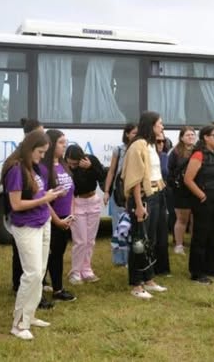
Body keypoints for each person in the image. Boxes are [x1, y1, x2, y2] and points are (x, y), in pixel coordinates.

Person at [3, 130, 66, 340]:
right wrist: (44, 198)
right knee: (31, 274)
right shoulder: (16, 169)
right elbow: (16, 204)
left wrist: (53, 194)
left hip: (42, 222)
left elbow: (40, 195)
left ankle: (29, 316)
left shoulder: (35, 167)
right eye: (40, 152)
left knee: (39, 271)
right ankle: (18, 324)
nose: (42, 156)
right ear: (30, 149)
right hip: (27, 226)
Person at [120, 111, 169, 299]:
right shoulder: (137, 146)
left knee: (151, 240)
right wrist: (139, 206)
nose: (162, 127)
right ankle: (136, 284)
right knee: (139, 241)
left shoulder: (150, 145)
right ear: (151, 125)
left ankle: (149, 278)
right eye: (160, 124)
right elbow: (134, 179)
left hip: (156, 195)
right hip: (142, 199)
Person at [183, 125, 214, 283]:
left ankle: (211, 267)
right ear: (205, 138)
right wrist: (202, 195)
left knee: (212, 235)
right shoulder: (198, 155)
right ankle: (197, 271)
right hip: (203, 200)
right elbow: (188, 179)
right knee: (201, 235)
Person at [42, 130, 77, 302]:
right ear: (51, 144)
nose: (65, 145)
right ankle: (55, 289)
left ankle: (56, 286)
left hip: (65, 217)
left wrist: (70, 214)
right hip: (51, 218)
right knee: (49, 254)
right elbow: (43, 198)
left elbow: (71, 191)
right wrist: (57, 220)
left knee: (58, 253)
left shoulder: (63, 165)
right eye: (61, 142)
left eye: (65, 142)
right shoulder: (44, 168)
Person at [65, 144, 106, 290]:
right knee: (80, 240)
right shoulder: (67, 168)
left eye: (75, 163)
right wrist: (73, 170)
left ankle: (87, 269)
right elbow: (73, 185)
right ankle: (75, 272)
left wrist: (91, 168)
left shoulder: (91, 160)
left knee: (90, 240)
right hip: (77, 202)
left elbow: (102, 177)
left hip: (93, 200)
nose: (73, 166)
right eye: (70, 163)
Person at [103, 123, 137, 267]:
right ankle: (119, 259)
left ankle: (131, 258)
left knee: (132, 226)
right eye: (134, 133)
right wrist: (106, 191)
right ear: (127, 134)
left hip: (134, 192)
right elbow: (111, 171)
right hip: (119, 193)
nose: (136, 135)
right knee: (118, 226)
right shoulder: (119, 150)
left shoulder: (140, 149)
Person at [167, 126, 195, 254]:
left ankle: (195, 242)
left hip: (195, 189)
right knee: (182, 219)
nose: (191, 137)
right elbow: (170, 171)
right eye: (188, 135)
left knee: (196, 218)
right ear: (182, 137)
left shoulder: (198, 151)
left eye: (193, 135)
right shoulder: (175, 152)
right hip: (181, 191)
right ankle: (179, 245)